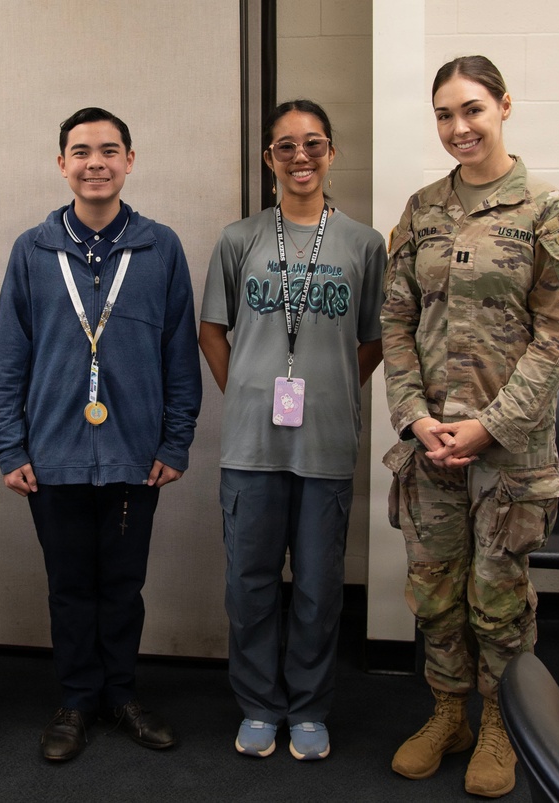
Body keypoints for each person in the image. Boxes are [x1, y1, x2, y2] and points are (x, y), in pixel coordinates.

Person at [382, 55, 559, 799]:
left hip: (510, 454)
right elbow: (396, 321)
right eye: (444, 114)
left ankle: (502, 721)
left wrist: (490, 426)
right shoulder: (421, 209)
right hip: (431, 447)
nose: (458, 127)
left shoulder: (542, 208)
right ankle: (448, 713)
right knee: (434, 590)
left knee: (497, 595)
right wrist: (414, 418)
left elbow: (555, 338)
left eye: (471, 109)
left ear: (503, 106)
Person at [0, 107, 202, 762]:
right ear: (63, 165)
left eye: (109, 150)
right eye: (81, 152)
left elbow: (180, 354)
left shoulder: (159, 246)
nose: (96, 162)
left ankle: (122, 692)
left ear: (130, 161)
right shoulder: (33, 249)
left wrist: (175, 440)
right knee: (69, 586)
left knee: (122, 585)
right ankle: (77, 698)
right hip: (51, 458)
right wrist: (10, 445)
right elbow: (9, 360)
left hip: (135, 457)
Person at [199, 100, 385, 762]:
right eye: (285, 146)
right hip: (252, 443)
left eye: (313, 144)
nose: (300, 156)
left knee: (317, 582)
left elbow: (373, 338)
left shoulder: (365, 243)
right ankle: (258, 702)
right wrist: (248, 391)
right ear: (268, 159)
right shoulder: (239, 237)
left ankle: (307, 706)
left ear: (332, 152)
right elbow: (211, 330)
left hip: (327, 445)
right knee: (249, 580)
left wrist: (330, 389)